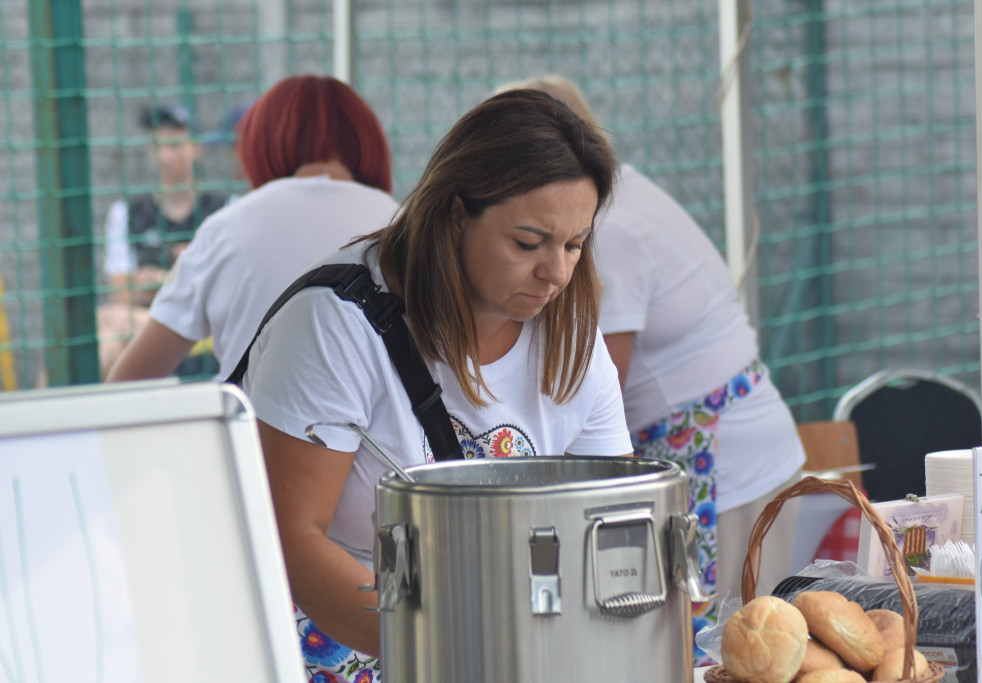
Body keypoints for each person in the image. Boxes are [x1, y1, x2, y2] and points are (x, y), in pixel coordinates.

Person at [239, 89, 633, 682]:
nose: (556, 273)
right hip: (332, 638)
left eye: (575, 245)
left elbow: (615, 523)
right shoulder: (333, 324)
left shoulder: (574, 333)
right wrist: (462, 646)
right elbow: (290, 537)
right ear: (455, 215)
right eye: (528, 243)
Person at [500, 75, 807, 664]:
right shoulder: (615, 200)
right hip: (732, 444)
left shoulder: (600, 229)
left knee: (731, 652)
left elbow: (594, 379)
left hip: (725, 461)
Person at [106, 75, 397, 384]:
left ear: (264, 145)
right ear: (368, 140)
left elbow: (127, 382)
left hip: (252, 428)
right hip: (390, 432)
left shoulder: (224, 229)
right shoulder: (403, 224)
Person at [97, 103, 229, 377]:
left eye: (175, 145)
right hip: (145, 325)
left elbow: (227, 290)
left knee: (109, 323)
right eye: (157, 146)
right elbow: (120, 291)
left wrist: (151, 280)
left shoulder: (225, 210)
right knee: (105, 327)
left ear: (197, 147)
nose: (165, 157)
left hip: (207, 330)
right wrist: (184, 273)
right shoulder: (126, 213)